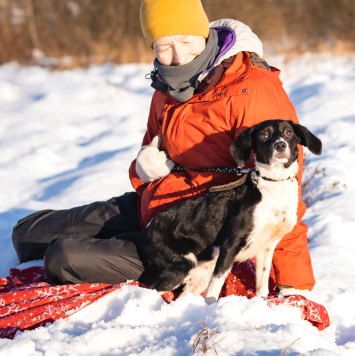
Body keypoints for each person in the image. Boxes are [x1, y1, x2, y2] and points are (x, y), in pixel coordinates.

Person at [12, 0, 315, 296]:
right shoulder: (167, 86)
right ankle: (123, 242)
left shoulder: (251, 88)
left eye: (186, 41)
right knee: (27, 233)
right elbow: (150, 150)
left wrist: (293, 283)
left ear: (204, 33)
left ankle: (145, 260)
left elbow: (284, 188)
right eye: (164, 47)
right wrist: (142, 168)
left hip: (193, 234)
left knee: (62, 257)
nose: (179, 56)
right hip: (154, 206)